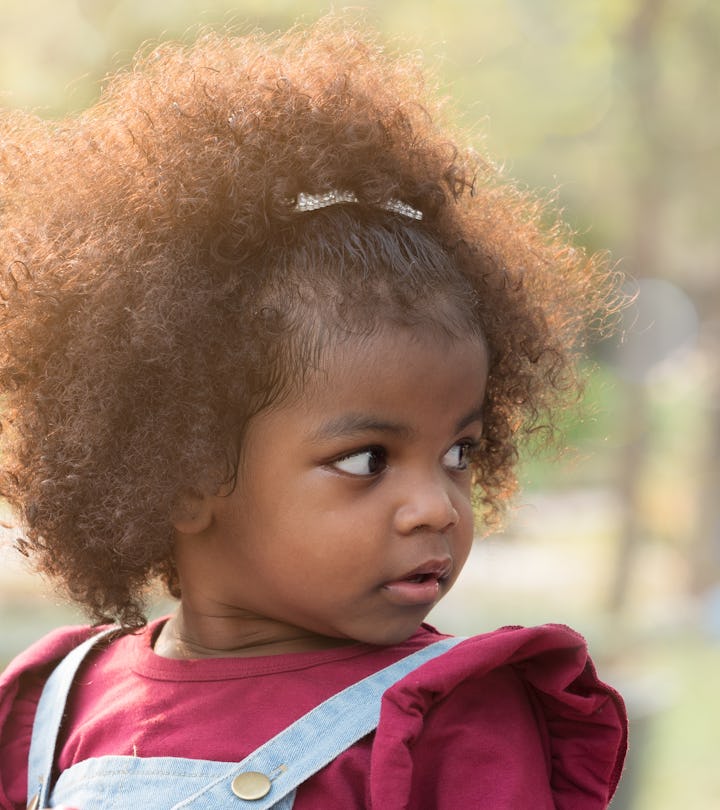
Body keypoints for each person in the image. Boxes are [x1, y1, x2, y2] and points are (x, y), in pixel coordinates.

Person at [0, 15, 627, 810]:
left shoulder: (453, 718)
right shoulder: (54, 707)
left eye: (459, 453)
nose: (436, 507)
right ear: (185, 470)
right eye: (368, 458)